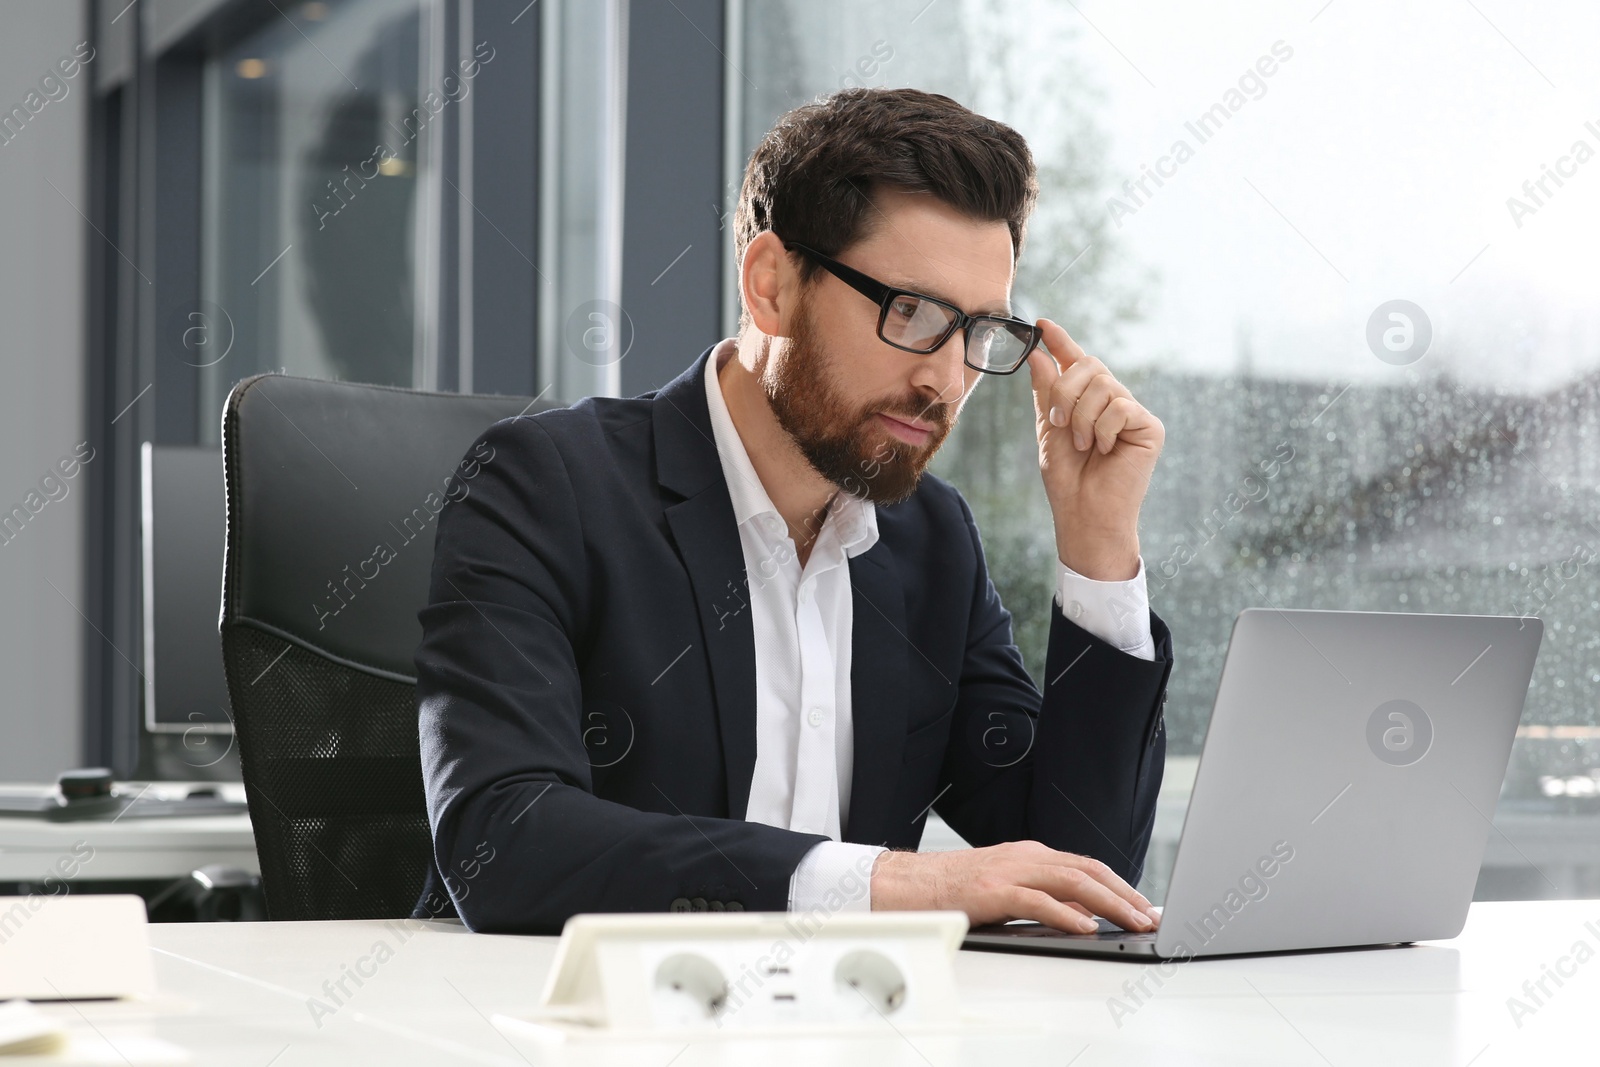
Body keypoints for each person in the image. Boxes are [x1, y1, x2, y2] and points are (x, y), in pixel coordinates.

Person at [414, 86, 1172, 936]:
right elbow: (505, 842)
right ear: (771, 284)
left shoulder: (932, 541)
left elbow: (1082, 873)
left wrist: (1098, 541)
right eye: (913, 312)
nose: (947, 381)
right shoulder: (544, 487)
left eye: (977, 332)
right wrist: (894, 885)